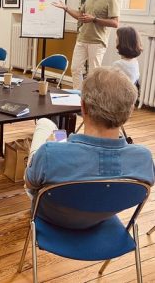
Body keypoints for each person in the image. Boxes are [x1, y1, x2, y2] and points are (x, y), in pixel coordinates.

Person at [25, 67, 154, 229]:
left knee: (45, 125)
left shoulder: (49, 153)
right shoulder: (144, 159)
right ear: (129, 112)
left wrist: (48, 147)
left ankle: (56, 136)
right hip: (102, 217)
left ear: (83, 107)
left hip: (52, 218)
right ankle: (60, 138)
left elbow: (29, 184)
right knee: (58, 139)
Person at [52, 0, 120, 89]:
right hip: (82, 38)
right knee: (75, 69)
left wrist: (94, 19)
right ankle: (79, 96)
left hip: (97, 42)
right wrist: (66, 8)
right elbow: (80, 15)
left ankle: (91, 101)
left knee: (94, 75)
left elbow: (115, 23)